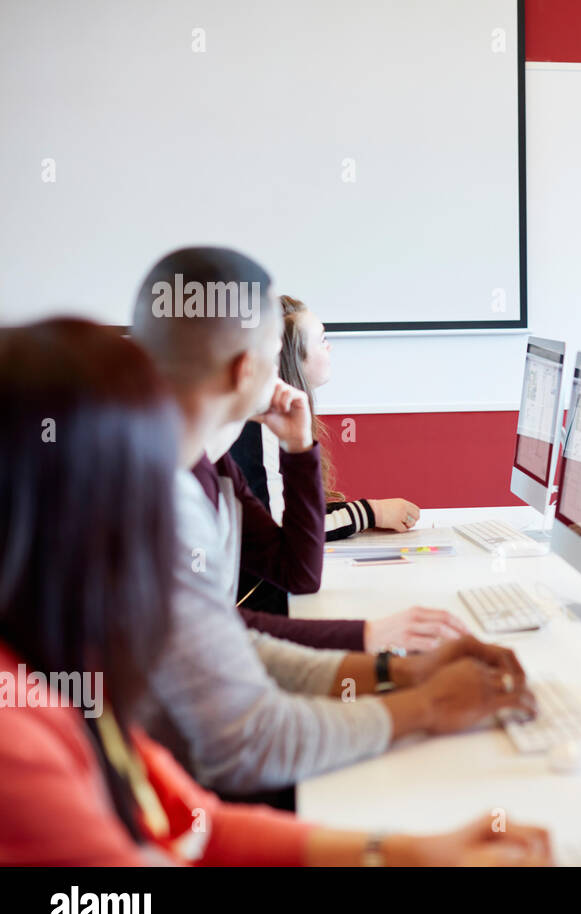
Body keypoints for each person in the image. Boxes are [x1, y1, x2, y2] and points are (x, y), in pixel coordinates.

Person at [0, 319, 549, 865]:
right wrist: (421, 703)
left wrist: (409, 852)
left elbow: (201, 829)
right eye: (151, 490)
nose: (170, 520)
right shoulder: (19, 741)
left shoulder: (76, 662)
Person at [129, 246, 537, 796]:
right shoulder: (156, 494)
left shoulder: (207, 461)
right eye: (276, 354)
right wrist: (420, 699)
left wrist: (299, 449)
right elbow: (248, 742)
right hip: (175, 783)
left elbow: (292, 577)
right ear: (247, 368)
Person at [229, 294, 420, 614]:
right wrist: (371, 512)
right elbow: (284, 533)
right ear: (292, 358)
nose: (329, 347)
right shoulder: (261, 425)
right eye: (322, 339)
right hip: (258, 605)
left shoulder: (273, 417)